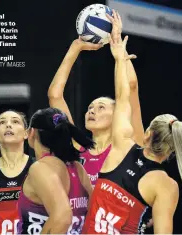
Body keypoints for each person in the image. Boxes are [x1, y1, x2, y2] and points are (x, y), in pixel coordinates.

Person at [82, 13, 182, 234]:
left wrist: (119, 56)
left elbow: (124, 94)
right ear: (173, 151)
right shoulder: (166, 186)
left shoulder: (122, 144)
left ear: (147, 134)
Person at [47, 9, 142, 187]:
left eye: (101, 108)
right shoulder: (76, 148)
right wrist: (75, 48)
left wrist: (119, 49)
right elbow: (55, 95)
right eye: (90, 107)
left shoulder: (130, 143)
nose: (92, 110)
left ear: (118, 115)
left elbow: (130, 87)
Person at [17, 107, 94, 234]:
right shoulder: (77, 168)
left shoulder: (40, 168)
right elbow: (92, 214)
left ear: (32, 132)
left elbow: (62, 217)